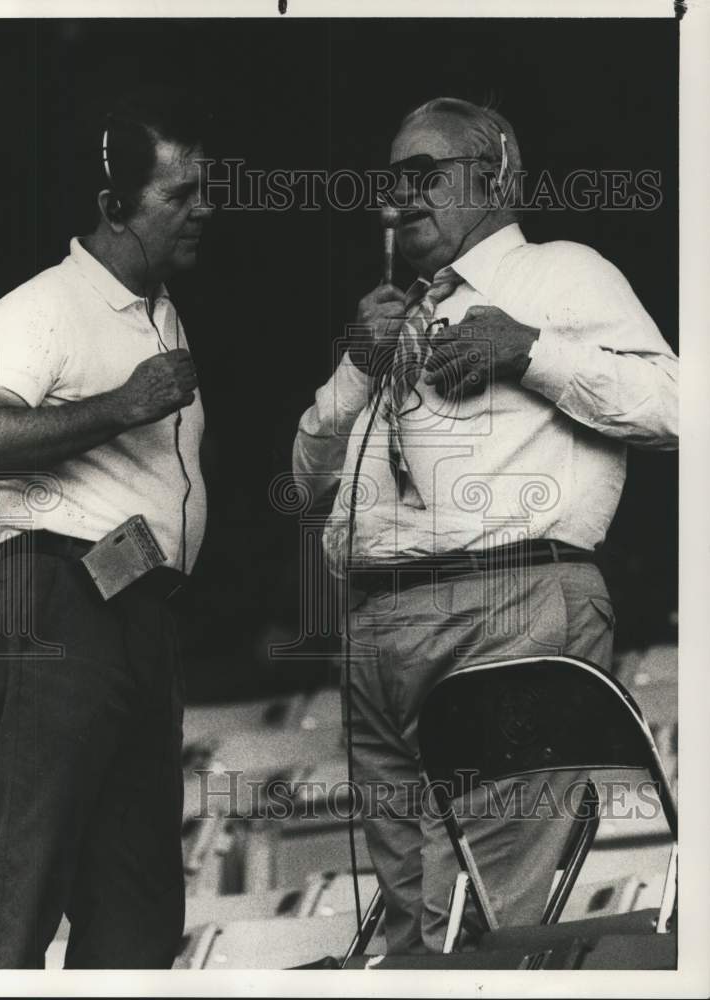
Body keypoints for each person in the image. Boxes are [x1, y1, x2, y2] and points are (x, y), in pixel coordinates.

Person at [292, 97, 678, 954]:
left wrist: (531, 349)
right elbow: (304, 476)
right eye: (389, 183)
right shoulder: (393, 313)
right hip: (378, 629)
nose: (399, 198)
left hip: (508, 606)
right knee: (405, 929)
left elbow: (679, 409)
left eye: (422, 175)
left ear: (496, 173)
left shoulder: (560, 273)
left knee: (473, 918)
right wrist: (355, 365)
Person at [0, 85, 214, 968]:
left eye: (205, 190)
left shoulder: (162, 311)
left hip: (137, 616)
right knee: (26, 892)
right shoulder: (41, 306)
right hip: (58, 605)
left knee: (139, 911)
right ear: (113, 207)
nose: (202, 210)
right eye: (179, 196)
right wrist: (122, 403)